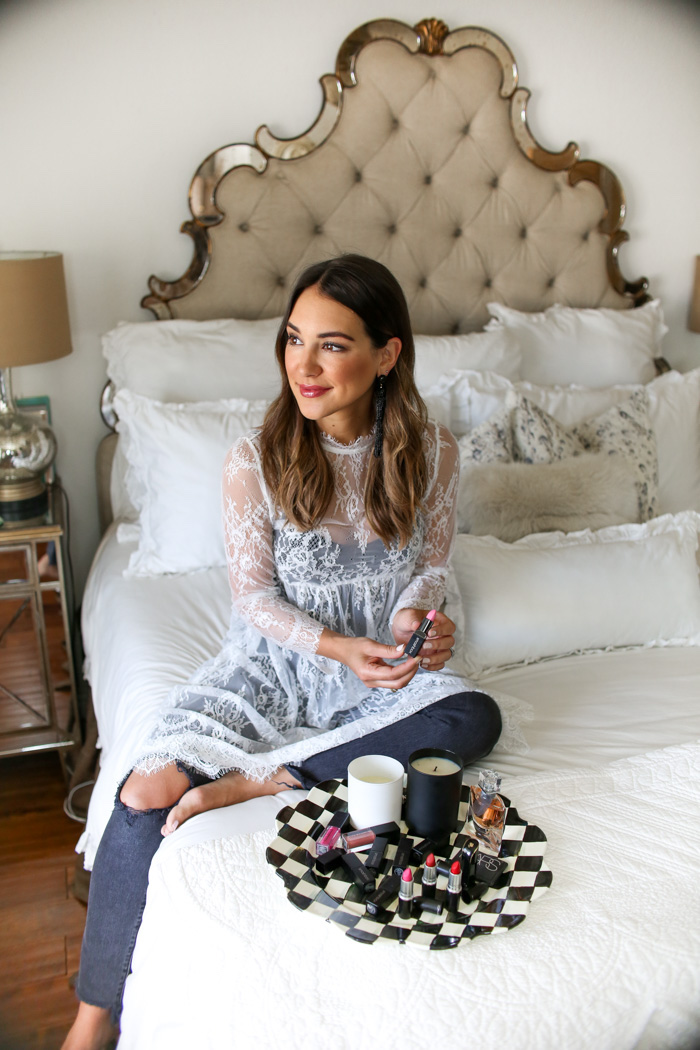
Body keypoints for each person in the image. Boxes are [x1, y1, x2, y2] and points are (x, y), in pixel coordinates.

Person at [63, 255, 502, 1049]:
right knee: (142, 794)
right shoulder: (252, 461)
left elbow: (431, 566)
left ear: (387, 354)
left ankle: (260, 782)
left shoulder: (431, 451)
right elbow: (256, 603)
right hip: (275, 668)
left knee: (473, 714)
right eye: (294, 339)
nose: (303, 364)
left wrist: (416, 624)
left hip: (381, 676)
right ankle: (95, 1013)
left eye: (332, 345)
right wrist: (341, 647)